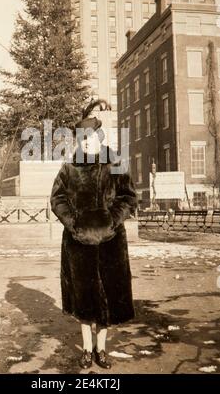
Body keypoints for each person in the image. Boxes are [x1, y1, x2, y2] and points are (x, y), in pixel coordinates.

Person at [50, 99, 137, 370]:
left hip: (111, 243)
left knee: (108, 300)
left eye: (91, 138)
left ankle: (102, 349)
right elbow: (57, 198)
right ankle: (87, 350)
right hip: (79, 244)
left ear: (99, 138)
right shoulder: (70, 166)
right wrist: (74, 224)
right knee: (84, 300)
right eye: (82, 139)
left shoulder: (115, 161)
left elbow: (128, 195)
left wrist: (112, 221)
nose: (87, 143)